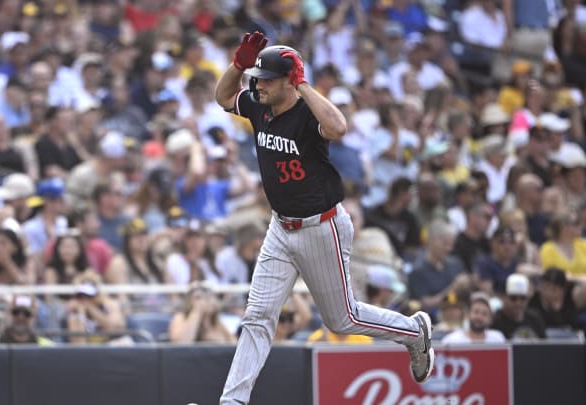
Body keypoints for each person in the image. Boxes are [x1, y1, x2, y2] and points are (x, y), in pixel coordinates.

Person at [213, 32, 434, 404]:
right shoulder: (258, 105)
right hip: (280, 227)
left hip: (321, 226)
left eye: (267, 78)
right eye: (257, 76)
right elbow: (222, 98)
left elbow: (338, 128)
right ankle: (233, 401)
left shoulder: (304, 111)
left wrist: (303, 85)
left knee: (341, 319)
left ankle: (412, 331)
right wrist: (237, 65)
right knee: (257, 316)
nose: (258, 83)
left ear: (289, 80)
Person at [492, 273, 547, 340]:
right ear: (503, 297)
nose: (518, 303)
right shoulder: (495, 321)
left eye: (523, 298)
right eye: (513, 298)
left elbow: (545, 346)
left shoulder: (535, 318)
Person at [442, 292, 507, 344]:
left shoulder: (498, 339)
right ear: (468, 314)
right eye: (476, 312)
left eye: (484, 314)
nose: (479, 317)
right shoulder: (452, 340)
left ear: (490, 319)